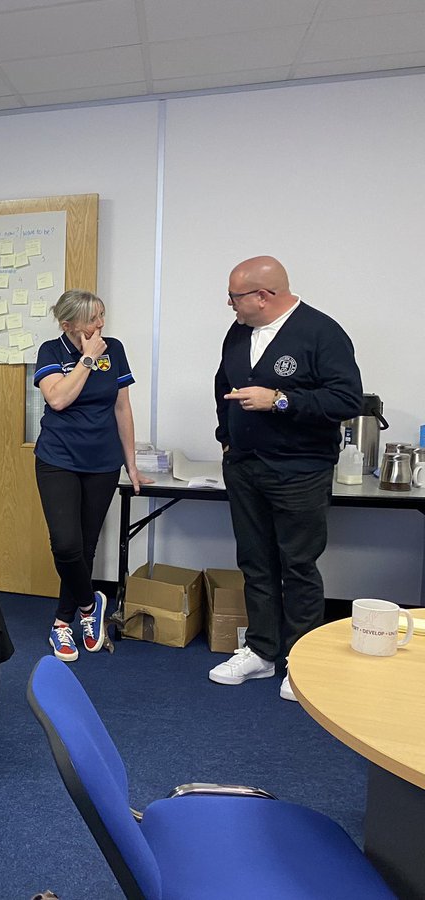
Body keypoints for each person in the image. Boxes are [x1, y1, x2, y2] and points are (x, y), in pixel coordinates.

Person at [210, 256, 361, 702]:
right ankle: (260, 650)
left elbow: (346, 399)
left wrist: (279, 400)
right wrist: (226, 438)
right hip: (245, 466)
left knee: (297, 566)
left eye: (235, 297)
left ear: (264, 296)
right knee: (255, 563)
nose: (229, 304)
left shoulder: (321, 332)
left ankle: (300, 663)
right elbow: (223, 385)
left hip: (299, 470)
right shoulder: (239, 331)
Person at [33, 291, 149, 662]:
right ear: (68, 325)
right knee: (65, 544)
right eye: (91, 320)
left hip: (102, 461)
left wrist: (130, 463)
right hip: (58, 458)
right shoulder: (51, 352)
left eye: (102, 316)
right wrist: (87, 359)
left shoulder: (114, 348)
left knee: (85, 545)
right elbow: (59, 400)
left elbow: (121, 406)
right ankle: (89, 604)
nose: (100, 325)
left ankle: (63, 622)